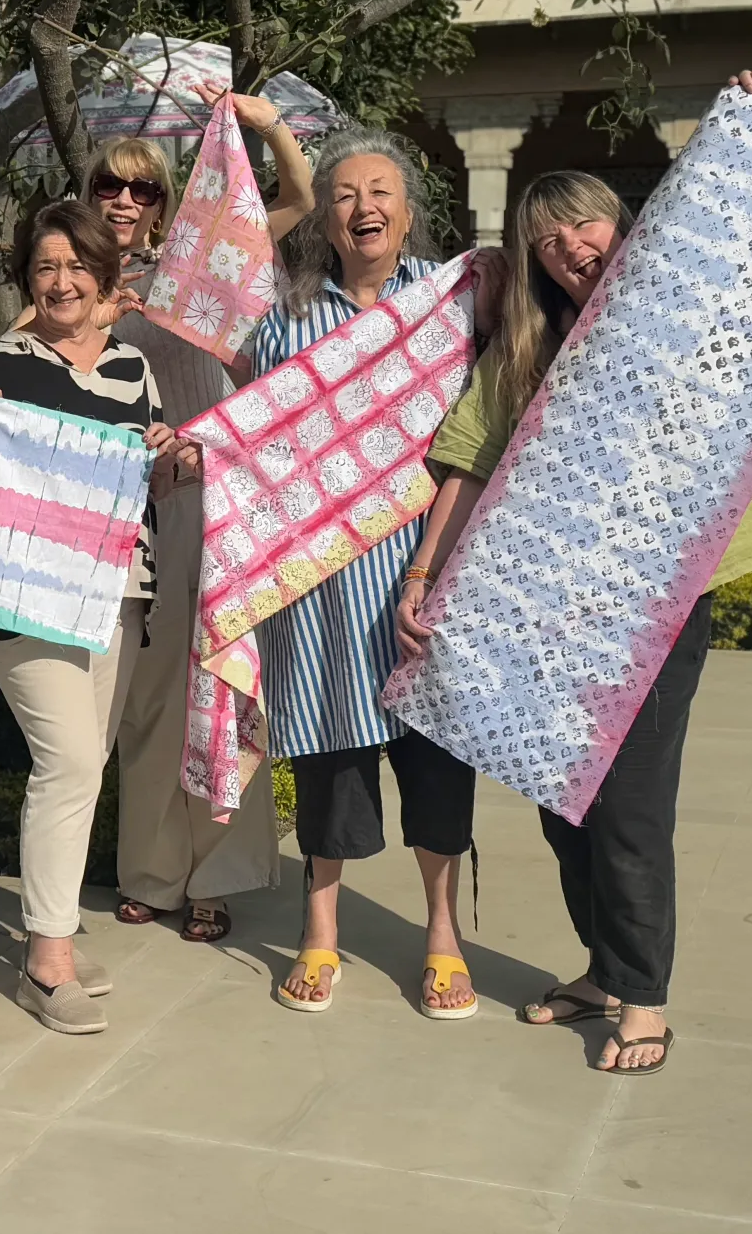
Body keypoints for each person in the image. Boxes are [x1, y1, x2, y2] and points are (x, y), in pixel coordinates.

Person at [397, 69, 752, 1076]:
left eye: (584, 225)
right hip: (558, 603)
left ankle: (645, 999)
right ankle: (606, 968)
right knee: (560, 794)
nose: (570, 247)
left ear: (622, 227)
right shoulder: (527, 348)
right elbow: (466, 457)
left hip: (660, 597)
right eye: (546, 241)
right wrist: (422, 575)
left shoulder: (683, 307)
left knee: (628, 803)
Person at [0, 199, 199, 1035]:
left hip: (120, 588)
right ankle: (46, 961)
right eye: (45, 266)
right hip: (24, 593)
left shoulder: (133, 365)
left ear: (104, 275)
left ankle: (52, 926)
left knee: (87, 764)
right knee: (65, 761)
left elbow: (150, 483)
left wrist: (172, 456)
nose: (61, 281)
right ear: (28, 278)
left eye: (75, 266)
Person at [258, 128, 481, 1021]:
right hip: (323, 585)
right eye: (345, 194)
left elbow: (481, 428)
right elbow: (258, 433)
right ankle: (320, 930)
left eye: (381, 190)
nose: (364, 206)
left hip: (428, 570)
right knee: (330, 759)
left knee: (435, 762)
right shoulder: (288, 317)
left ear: (408, 211)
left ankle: (443, 934)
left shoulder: (451, 306)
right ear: (325, 219)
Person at [100, 85, 312, 944]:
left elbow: (298, 199)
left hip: (214, 497)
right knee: (148, 700)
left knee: (221, 683)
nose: (124, 200)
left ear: (164, 204)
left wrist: (268, 126)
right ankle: (152, 874)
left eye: (143, 188)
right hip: (126, 505)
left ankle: (219, 875)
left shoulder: (205, 261)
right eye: (109, 185)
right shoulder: (69, 276)